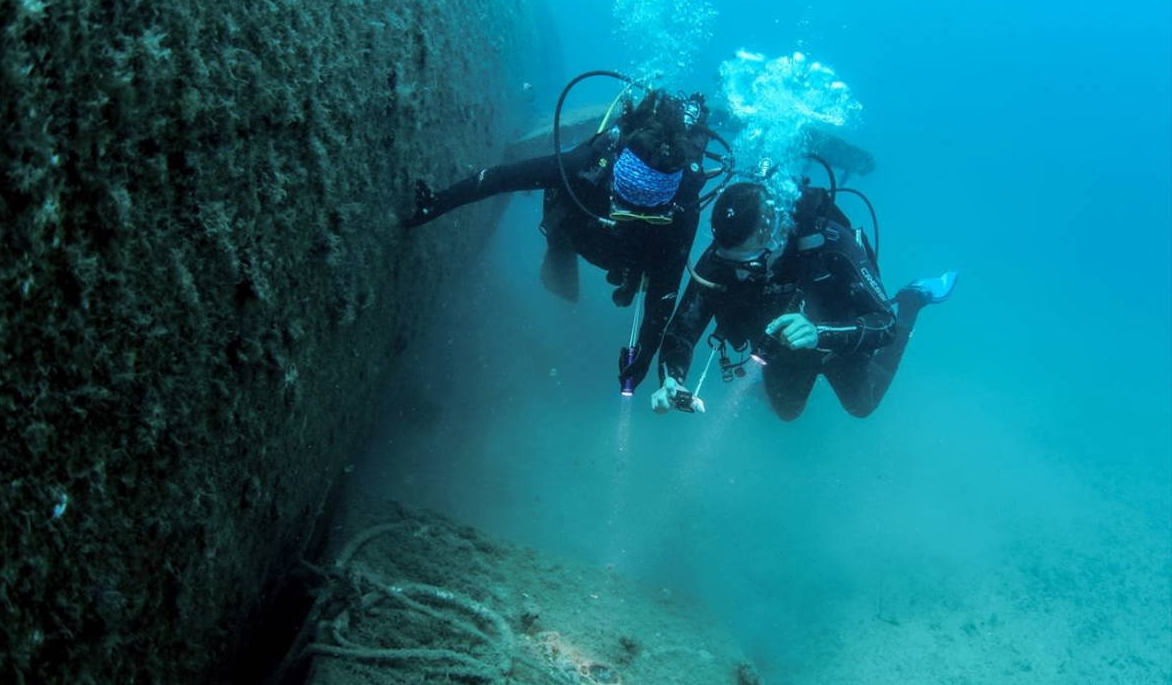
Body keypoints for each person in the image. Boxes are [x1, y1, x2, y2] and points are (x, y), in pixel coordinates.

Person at [403, 89, 715, 391]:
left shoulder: (683, 206)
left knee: (651, 265)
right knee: (563, 204)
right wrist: (438, 203)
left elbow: (665, 291)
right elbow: (504, 178)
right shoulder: (589, 165)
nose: (634, 211)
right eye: (630, 196)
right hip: (579, 229)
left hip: (624, 252)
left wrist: (645, 356)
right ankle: (562, 246)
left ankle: (616, 271)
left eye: (649, 204)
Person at [651, 178, 956, 419]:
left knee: (862, 405)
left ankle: (913, 300)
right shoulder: (721, 256)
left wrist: (819, 333)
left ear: (776, 236)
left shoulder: (833, 245)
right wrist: (671, 378)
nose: (739, 275)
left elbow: (884, 325)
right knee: (787, 413)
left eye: (749, 265)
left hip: (838, 339)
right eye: (729, 263)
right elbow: (682, 329)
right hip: (784, 346)